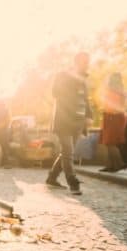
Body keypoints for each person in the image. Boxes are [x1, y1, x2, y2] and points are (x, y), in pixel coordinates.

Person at [45, 52, 93, 195]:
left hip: (78, 122)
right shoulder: (63, 75)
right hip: (63, 120)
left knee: (66, 153)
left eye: (88, 62)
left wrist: (89, 116)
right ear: (76, 62)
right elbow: (55, 93)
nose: (87, 64)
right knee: (68, 152)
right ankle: (73, 182)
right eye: (84, 62)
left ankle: (52, 178)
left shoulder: (84, 80)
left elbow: (86, 100)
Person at [98, 73, 127, 172]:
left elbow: (112, 106)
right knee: (109, 142)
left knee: (110, 142)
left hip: (113, 116)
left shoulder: (114, 91)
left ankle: (119, 163)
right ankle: (111, 165)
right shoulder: (121, 91)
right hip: (115, 116)